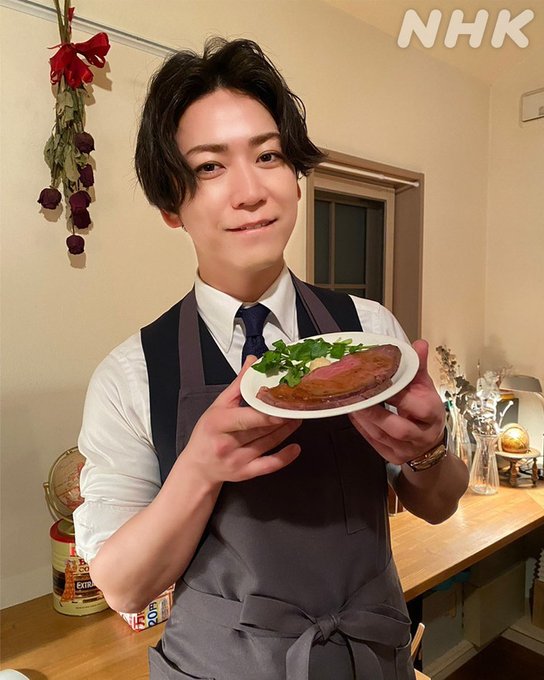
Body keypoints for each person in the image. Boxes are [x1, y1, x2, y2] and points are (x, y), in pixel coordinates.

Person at [74, 37, 469, 680]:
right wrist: (200, 468)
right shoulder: (131, 374)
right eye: (210, 166)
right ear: (170, 204)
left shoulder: (367, 331)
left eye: (268, 155)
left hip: (368, 658)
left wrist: (427, 451)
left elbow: (438, 504)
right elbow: (124, 587)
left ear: (296, 178)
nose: (251, 191)